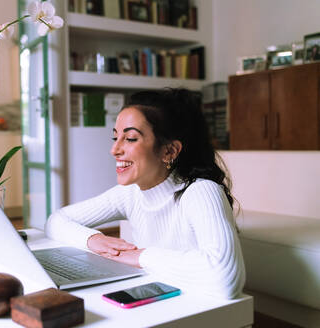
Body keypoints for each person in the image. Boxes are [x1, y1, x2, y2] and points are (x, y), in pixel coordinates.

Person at [45, 88, 245, 299]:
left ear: (169, 151)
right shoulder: (129, 193)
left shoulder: (201, 191)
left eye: (130, 138)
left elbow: (225, 278)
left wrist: (139, 256)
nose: (115, 150)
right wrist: (93, 239)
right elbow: (56, 220)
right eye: (115, 137)